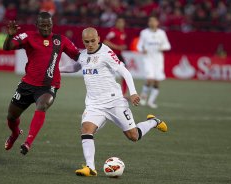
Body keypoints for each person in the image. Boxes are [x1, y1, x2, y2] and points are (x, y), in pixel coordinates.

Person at [60, 27, 168, 176]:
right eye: (87, 42)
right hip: (94, 105)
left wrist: (133, 92)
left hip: (114, 102)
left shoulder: (107, 53)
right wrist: (57, 69)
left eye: (93, 40)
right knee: (86, 130)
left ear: (98, 38)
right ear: (83, 41)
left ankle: (153, 121)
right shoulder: (83, 55)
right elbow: (76, 66)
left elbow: (124, 72)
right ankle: (90, 168)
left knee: (133, 136)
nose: (90, 44)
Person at [3, 12, 80, 155]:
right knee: (11, 117)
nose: (46, 28)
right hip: (27, 85)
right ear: (36, 25)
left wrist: (95, 58)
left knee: (42, 105)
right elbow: (7, 47)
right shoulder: (28, 36)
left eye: (49, 25)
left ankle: (28, 143)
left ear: (52, 24)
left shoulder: (61, 40)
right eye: (43, 25)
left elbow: (79, 57)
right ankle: (14, 134)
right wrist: (10, 35)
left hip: (48, 86)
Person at [137, 16, 171, 108]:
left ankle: (151, 101)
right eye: (150, 21)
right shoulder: (144, 33)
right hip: (148, 59)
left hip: (158, 60)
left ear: (157, 23)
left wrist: (162, 47)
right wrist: (142, 49)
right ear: (148, 23)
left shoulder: (162, 33)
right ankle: (143, 98)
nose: (152, 23)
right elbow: (139, 45)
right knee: (149, 79)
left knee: (157, 81)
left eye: (154, 21)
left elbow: (168, 45)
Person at [103, 17, 128, 97]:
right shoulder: (113, 32)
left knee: (125, 74)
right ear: (116, 23)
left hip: (119, 56)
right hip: (112, 55)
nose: (121, 24)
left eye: (122, 22)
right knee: (109, 75)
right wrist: (118, 47)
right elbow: (105, 42)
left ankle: (124, 94)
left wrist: (122, 46)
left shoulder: (123, 32)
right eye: (119, 22)